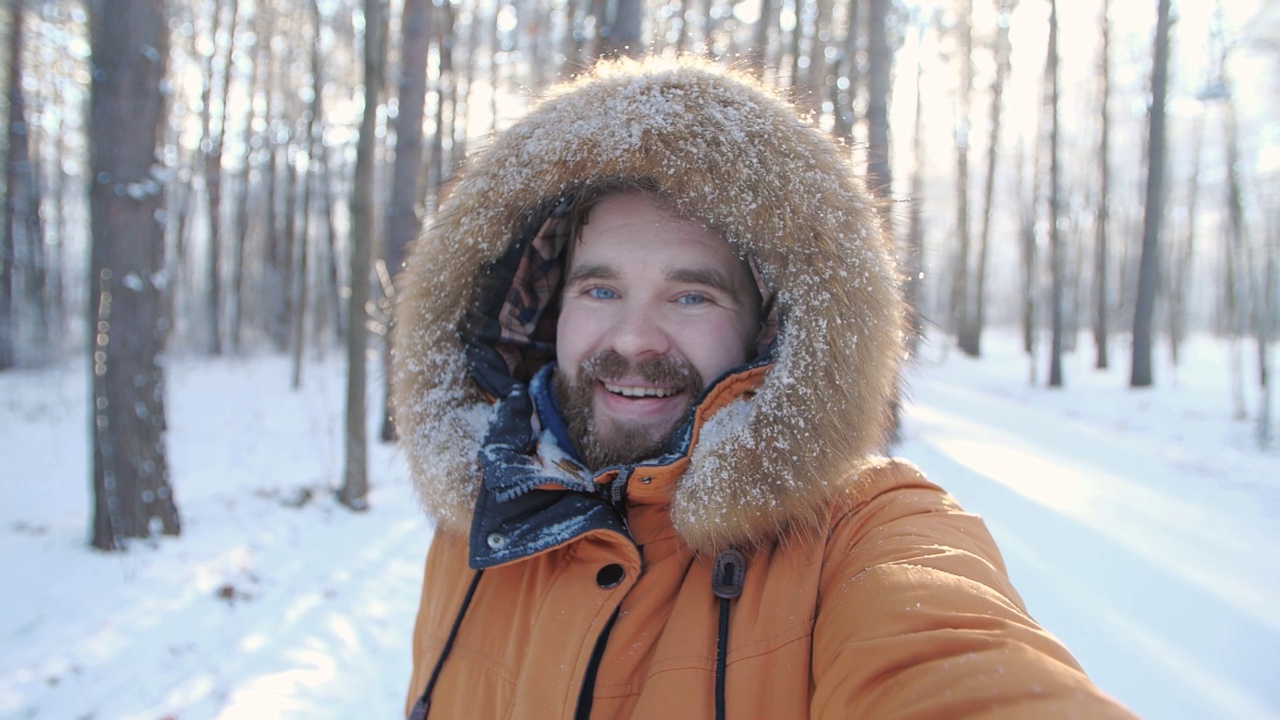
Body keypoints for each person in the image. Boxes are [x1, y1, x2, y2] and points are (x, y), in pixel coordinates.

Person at [392, 56, 1136, 719]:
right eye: (599, 290)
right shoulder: (480, 524)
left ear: (767, 329)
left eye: (692, 297)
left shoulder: (859, 532)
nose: (632, 340)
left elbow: (951, 660)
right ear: (547, 307)